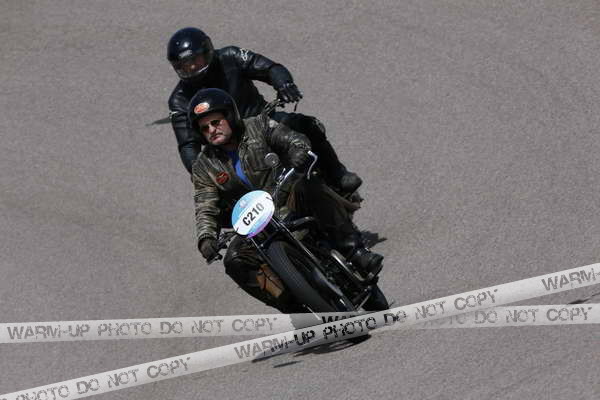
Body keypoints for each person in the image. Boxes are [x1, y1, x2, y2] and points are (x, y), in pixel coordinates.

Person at [189, 88, 383, 311]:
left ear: (230, 116)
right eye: (205, 128)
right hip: (258, 225)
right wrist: (206, 238)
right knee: (235, 260)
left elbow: (293, 139)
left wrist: (297, 152)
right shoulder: (203, 165)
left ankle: (354, 252)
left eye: (215, 122)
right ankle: (294, 308)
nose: (212, 130)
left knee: (309, 185)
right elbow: (205, 205)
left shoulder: (258, 125)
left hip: (288, 198)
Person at [167, 27, 362, 195]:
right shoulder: (178, 100)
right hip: (225, 148)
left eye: (195, 60)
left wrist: (284, 84)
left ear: (207, 51)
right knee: (215, 197)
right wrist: (198, 170)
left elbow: (269, 68)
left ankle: (337, 173)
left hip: (265, 123)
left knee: (307, 124)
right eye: (184, 65)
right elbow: (187, 145)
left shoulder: (231, 56)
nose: (192, 67)